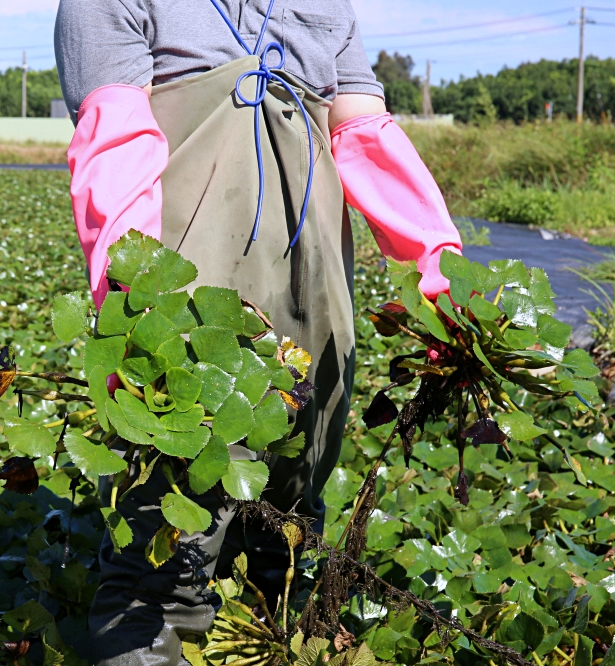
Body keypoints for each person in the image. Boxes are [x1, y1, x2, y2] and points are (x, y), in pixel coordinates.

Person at [54, 1, 463, 663]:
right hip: (187, 320)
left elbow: (362, 135)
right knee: (162, 572)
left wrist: (436, 274)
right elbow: (113, 154)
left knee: (284, 549)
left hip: (313, 315)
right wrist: (133, 320)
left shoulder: (327, 5)